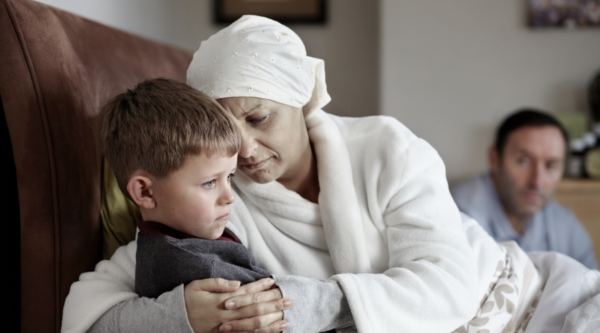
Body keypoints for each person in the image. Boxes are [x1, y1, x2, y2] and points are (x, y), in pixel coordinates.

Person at [62, 16, 600, 333]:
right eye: (228, 131)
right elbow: (93, 308)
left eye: (258, 118)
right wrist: (182, 314)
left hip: (519, 294)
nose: (244, 150)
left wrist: (323, 302)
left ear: (301, 98)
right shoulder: (214, 196)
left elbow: (450, 284)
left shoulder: (386, 147)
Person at [99, 78, 273, 302]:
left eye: (229, 176)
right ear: (145, 192)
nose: (230, 197)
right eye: (209, 183)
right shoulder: (197, 269)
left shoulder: (187, 238)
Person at [451, 109, 597, 269]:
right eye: (523, 161)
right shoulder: (456, 215)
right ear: (494, 159)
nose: (537, 182)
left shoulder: (566, 227)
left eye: (551, 166)